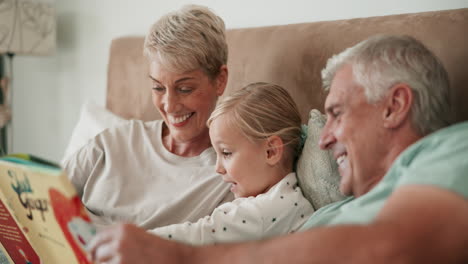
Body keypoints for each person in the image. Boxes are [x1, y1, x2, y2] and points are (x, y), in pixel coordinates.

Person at [88, 35, 468, 263]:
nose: (322, 138)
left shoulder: (452, 152)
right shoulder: (337, 212)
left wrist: (178, 256)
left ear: (395, 105)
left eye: (336, 113)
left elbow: (391, 249)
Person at [63, 5, 234, 230]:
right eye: (158, 87)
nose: (169, 105)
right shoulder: (112, 143)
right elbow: (41, 201)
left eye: (185, 89)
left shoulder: (230, 174)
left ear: (220, 81)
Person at [150, 82, 314, 245]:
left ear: (271, 151)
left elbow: (201, 234)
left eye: (226, 153)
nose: (218, 168)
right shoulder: (278, 201)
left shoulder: (271, 209)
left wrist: (138, 240)